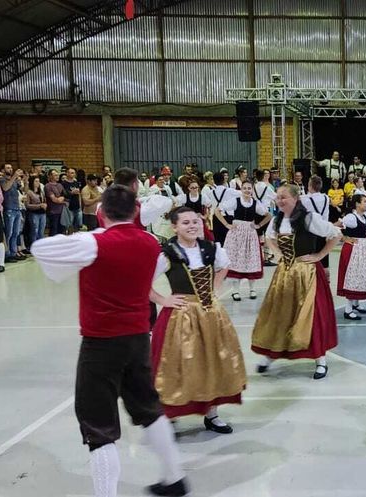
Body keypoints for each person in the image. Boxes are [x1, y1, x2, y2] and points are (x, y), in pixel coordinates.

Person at [31, 185, 190, 497]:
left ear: (101, 212)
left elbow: (40, 249)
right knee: (148, 408)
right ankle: (175, 477)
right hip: (138, 339)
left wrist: (88, 239)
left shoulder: (92, 242)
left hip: (101, 344)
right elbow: (154, 271)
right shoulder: (150, 242)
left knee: (99, 428)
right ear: (135, 211)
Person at [149, 207, 247, 435]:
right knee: (177, 365)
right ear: (174, 227)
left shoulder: (211, 248)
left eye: (195, 221)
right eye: (185, 223)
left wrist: (215, 287)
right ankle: (170, 414)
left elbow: (224, 267)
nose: (192, 226)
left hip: (211, 315)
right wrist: (164, 299)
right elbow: (141, 281)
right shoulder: (167, 254)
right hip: (181, 317)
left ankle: (212, 414)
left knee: (212, 360)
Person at [251, 184, 341, 380]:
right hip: (284, 274)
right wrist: (277, 253)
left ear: (295, 199)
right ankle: (271, 354)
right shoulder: (276, 220)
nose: (280, 200)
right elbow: (269, 238)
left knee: (311, 316)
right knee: (280, 313)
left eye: (284, 197)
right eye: (278, 197)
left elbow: (335, 235)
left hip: (307, 273)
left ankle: (320, 359)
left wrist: (319, 255)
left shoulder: (309, 218)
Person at [217, 180, 270, 301]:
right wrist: (227, 224)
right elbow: (217, 210)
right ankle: (235, 291)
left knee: (251, 259)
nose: (247, 190)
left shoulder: (255, 203)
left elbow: (268, 215)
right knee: (235, 260)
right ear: (241, 189)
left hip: (250, 234)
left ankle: (252, 289)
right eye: (245, 188)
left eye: (249, 188)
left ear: (252, 190)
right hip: (236, 234)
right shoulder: (235, 201)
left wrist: (259, 225)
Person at [337, 194, 366, 321]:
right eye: (364, 202)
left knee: (360, 275)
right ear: (357, 204)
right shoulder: (351, 217)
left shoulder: (364, 217)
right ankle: (348, 310)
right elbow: (335, 226)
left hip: (362, 248)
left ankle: (355, 304)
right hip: (353, 249)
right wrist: (344, 238)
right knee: (353, 276)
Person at [300, 176, 332, 269]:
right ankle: (324, 276)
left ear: (310, 186)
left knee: (310, 262)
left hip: (310, 233)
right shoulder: (326, 198)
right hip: (323, 231)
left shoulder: (304, 199)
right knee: (323, 261)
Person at [0, 164, 24, 261]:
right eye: (8, 168)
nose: (10, 169)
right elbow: (5, 188)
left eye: (11, 168)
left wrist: (25, 181)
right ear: (3, 170)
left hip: (17, 208)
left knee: (16, 232)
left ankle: (13, 252)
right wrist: (14, 177)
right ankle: (7, 253)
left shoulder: (14, 180)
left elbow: (22, 189)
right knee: (8, 233)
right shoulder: (2, 180)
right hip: (8, 208)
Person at [206, 172, 238, 245]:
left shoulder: (211, 193)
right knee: (230, 242)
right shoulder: (230, 191)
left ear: (214, 181)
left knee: (218, 242)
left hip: (216, 218)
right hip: (228, 218)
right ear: (223, 180)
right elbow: (241, 194)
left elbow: (208, 204)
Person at [25, 176, 48, 246]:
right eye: (36, 181)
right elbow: (27, 205)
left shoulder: (41, 191)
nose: (38, 183)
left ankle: (41, 246)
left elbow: (44, 200)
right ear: (32, 182)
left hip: (42, 213)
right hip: (34, 213)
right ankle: (34, 245)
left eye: (38, 181)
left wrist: (45, 205)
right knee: (35, 230)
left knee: (41, 231)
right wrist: (39, 206)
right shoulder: (29, 192)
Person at [61, 167, 84, 233]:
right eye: (69, 172)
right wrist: (72, 192)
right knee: (69, 225)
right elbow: (63, 194)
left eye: (72, 173)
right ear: (66, 173)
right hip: (69, 207)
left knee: (78, 225)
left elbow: (79, 194)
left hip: (77, 206)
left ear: (75, 174)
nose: (70, 174)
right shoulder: (63, 183)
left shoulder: (76, 183)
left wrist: (80, 205)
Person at [45, 170, 67, 236]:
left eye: (58, 175)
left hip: (62, 211)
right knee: (54, 230)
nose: (57, 176)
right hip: (53, 212)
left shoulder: (60, 185)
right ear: (50, 176)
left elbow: (65, 195)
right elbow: (54, 199)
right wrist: (60, 199)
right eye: (55, 175)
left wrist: (61, 198)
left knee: (62, 230)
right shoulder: (48, 186)